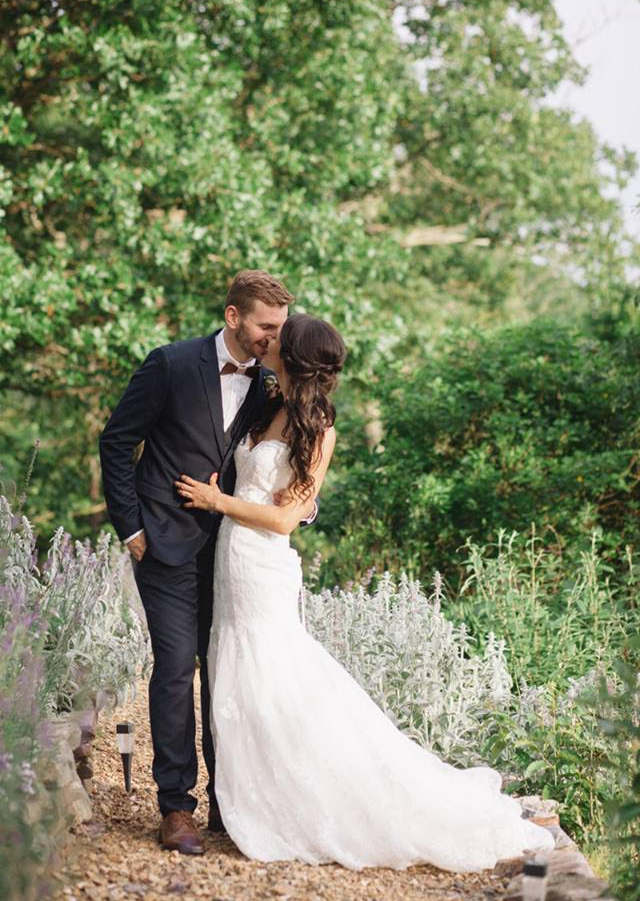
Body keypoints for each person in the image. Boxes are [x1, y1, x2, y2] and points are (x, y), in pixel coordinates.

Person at [175, 313, 555, 872]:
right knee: (239, 674)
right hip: (231, 559)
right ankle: (256, 799)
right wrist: (220, 491)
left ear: (298, 354)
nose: (269, 340)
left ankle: (313, 802)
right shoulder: (269, 402)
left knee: (274, 675)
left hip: (262, 563)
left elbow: (285, 520)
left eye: (280, 336)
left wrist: (218, 504)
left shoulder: (318, 426)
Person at [99, 270, 299, 856]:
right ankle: (177, 807)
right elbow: (117, 441)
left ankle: (229, 805)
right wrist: (131, 526)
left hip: (237, 552)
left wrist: (296, 514)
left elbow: (289, 465)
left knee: (228, 672)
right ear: (234, 317)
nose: (275, 338)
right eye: (267, 326)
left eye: (282, 327)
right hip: (163, 543)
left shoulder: (272, 382)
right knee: (172, 669)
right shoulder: (170, 364)